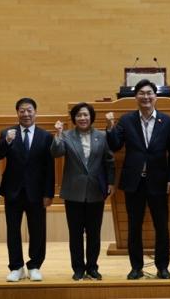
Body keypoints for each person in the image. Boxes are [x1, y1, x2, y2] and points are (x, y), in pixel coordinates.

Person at [105, 79, 170, 280]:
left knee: (161, 226)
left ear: (156, 96)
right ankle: (136, 267)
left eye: (149, 93)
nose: (146, 97)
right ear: (136, 97)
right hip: (134, 182)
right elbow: (115, 146)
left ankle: (163, 267)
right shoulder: (126, 120)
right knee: (134, 226)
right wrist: (110, 127)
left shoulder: (168, 121)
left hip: (159, 181)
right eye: (141, 93)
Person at [51, 102, 115, 281]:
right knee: (76, 233)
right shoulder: (66, 135)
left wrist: (111, 182)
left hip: (96, 190)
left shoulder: (102, 136)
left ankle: (92, 267)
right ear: (74, 118)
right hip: (73, 191)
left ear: (91, 117)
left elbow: (109, 160)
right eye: (79, 115)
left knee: (94, 233)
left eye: (86, 115)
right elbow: (56, 153)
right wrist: (58, 134)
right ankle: (78, 268)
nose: (82, 118)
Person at [0, 97, 55, 282]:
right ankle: (16, 267)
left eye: (29, 110)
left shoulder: (45, 136)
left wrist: (48, 193)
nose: (26, 114)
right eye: (22, 111)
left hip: (37, 193)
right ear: (17, 113)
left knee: (37, 230)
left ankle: (35, 265)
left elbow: (49, 167)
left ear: (35, 112)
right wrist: (6, 141)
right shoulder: (7, 133)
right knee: (13, 231)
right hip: (13, 191)